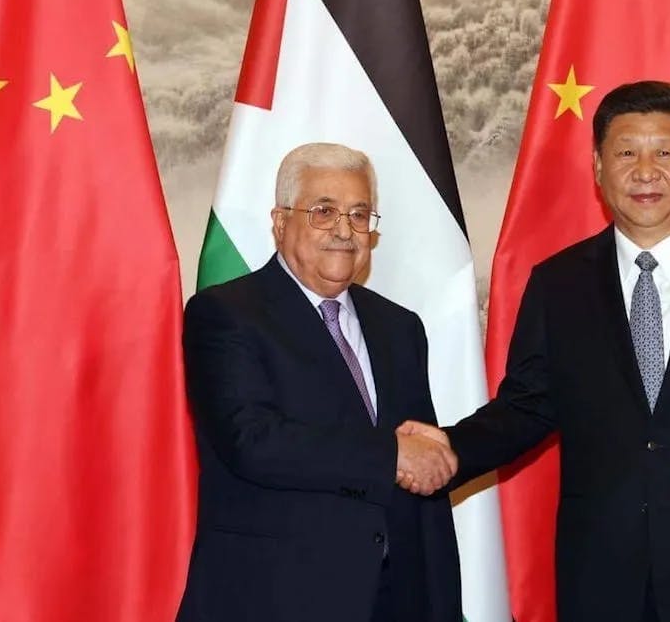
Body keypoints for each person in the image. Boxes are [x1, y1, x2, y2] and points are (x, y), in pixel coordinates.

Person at [400, 82, 670, 622]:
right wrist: (451, 447)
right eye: (626, 152)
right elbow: (526, 408)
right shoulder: (557, 284)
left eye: (665, 152)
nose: (644, 170)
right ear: (599, 168)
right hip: (601, 576)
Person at [177, 142, 462, 622]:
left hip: (397, 598)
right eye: (324, 212)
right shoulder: (225, 314)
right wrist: (391, 455)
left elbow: (419, 479)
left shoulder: (400, 327)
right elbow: (253, 442)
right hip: (275, 597)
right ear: (280, 221)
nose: (344, 231)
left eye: (359, 214)